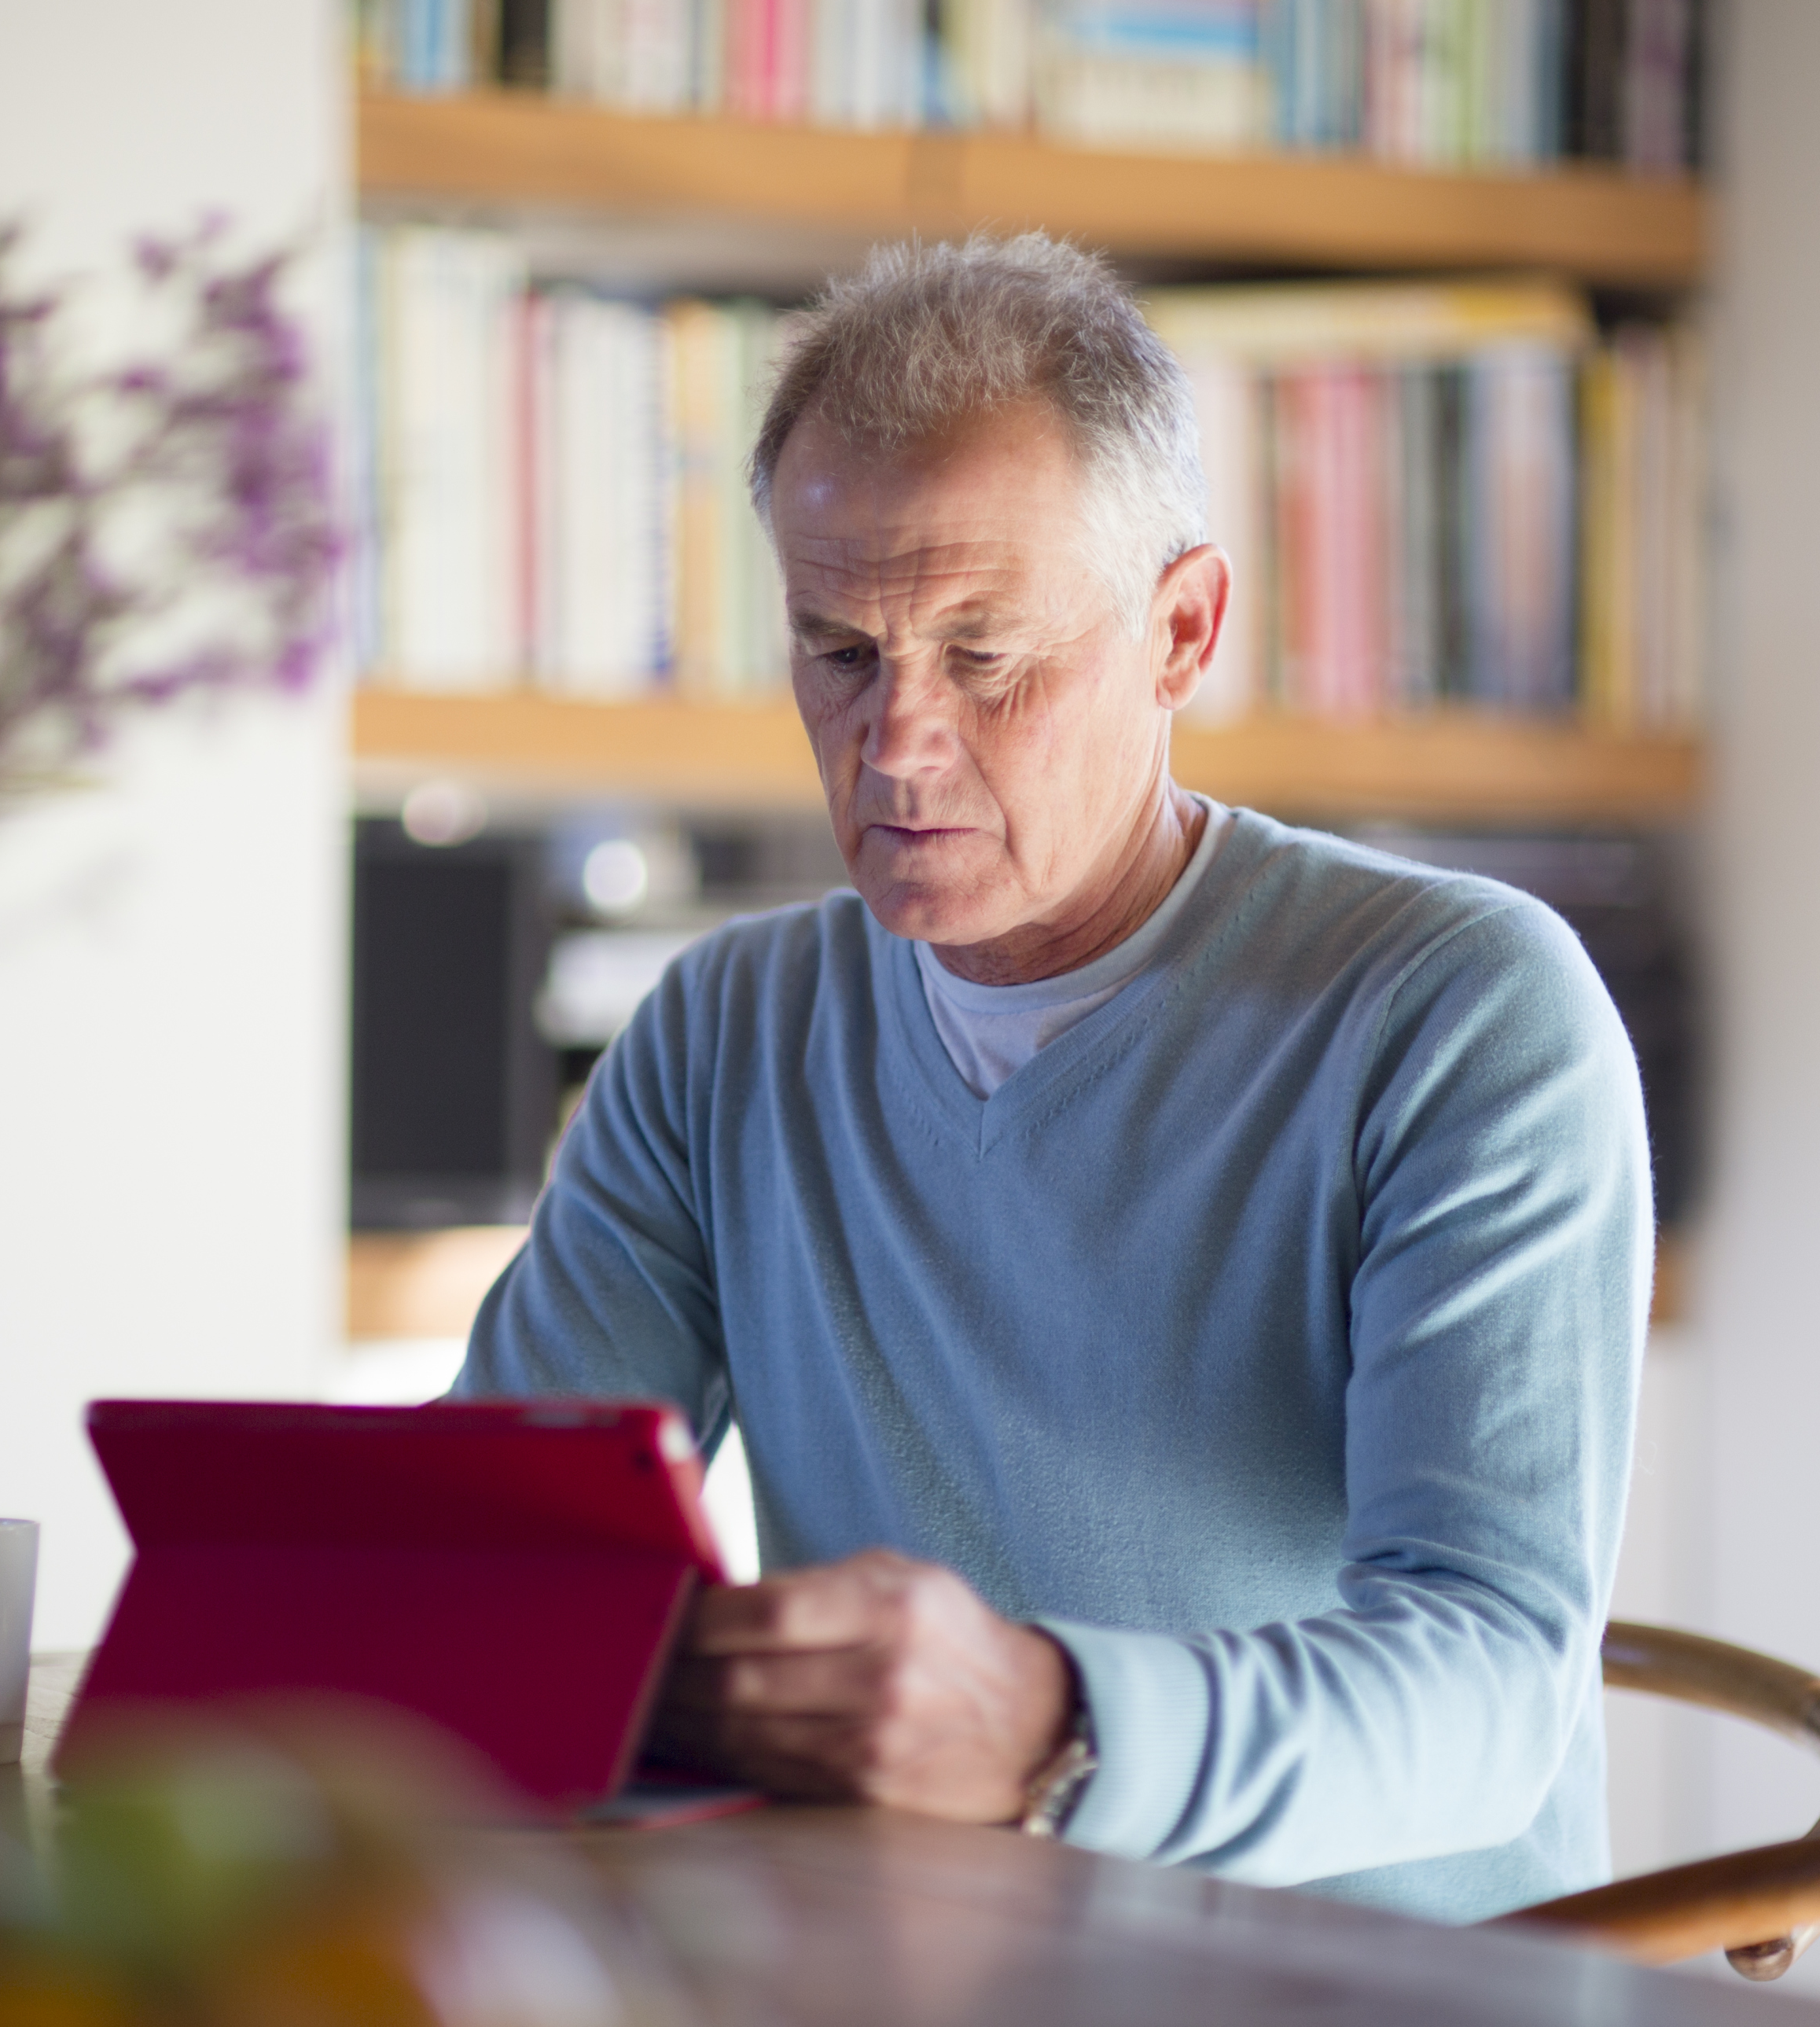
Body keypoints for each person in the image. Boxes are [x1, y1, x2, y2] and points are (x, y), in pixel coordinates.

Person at [455, 233, 1648, 1921]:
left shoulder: (1457, 1013)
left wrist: (1046, 1726)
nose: (896, 745)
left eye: (985, 653)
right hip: (907, 1967)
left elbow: (1488, 1686)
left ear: (1180, 629)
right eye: (838, 651)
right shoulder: (723, 1029)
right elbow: (492, 1565)